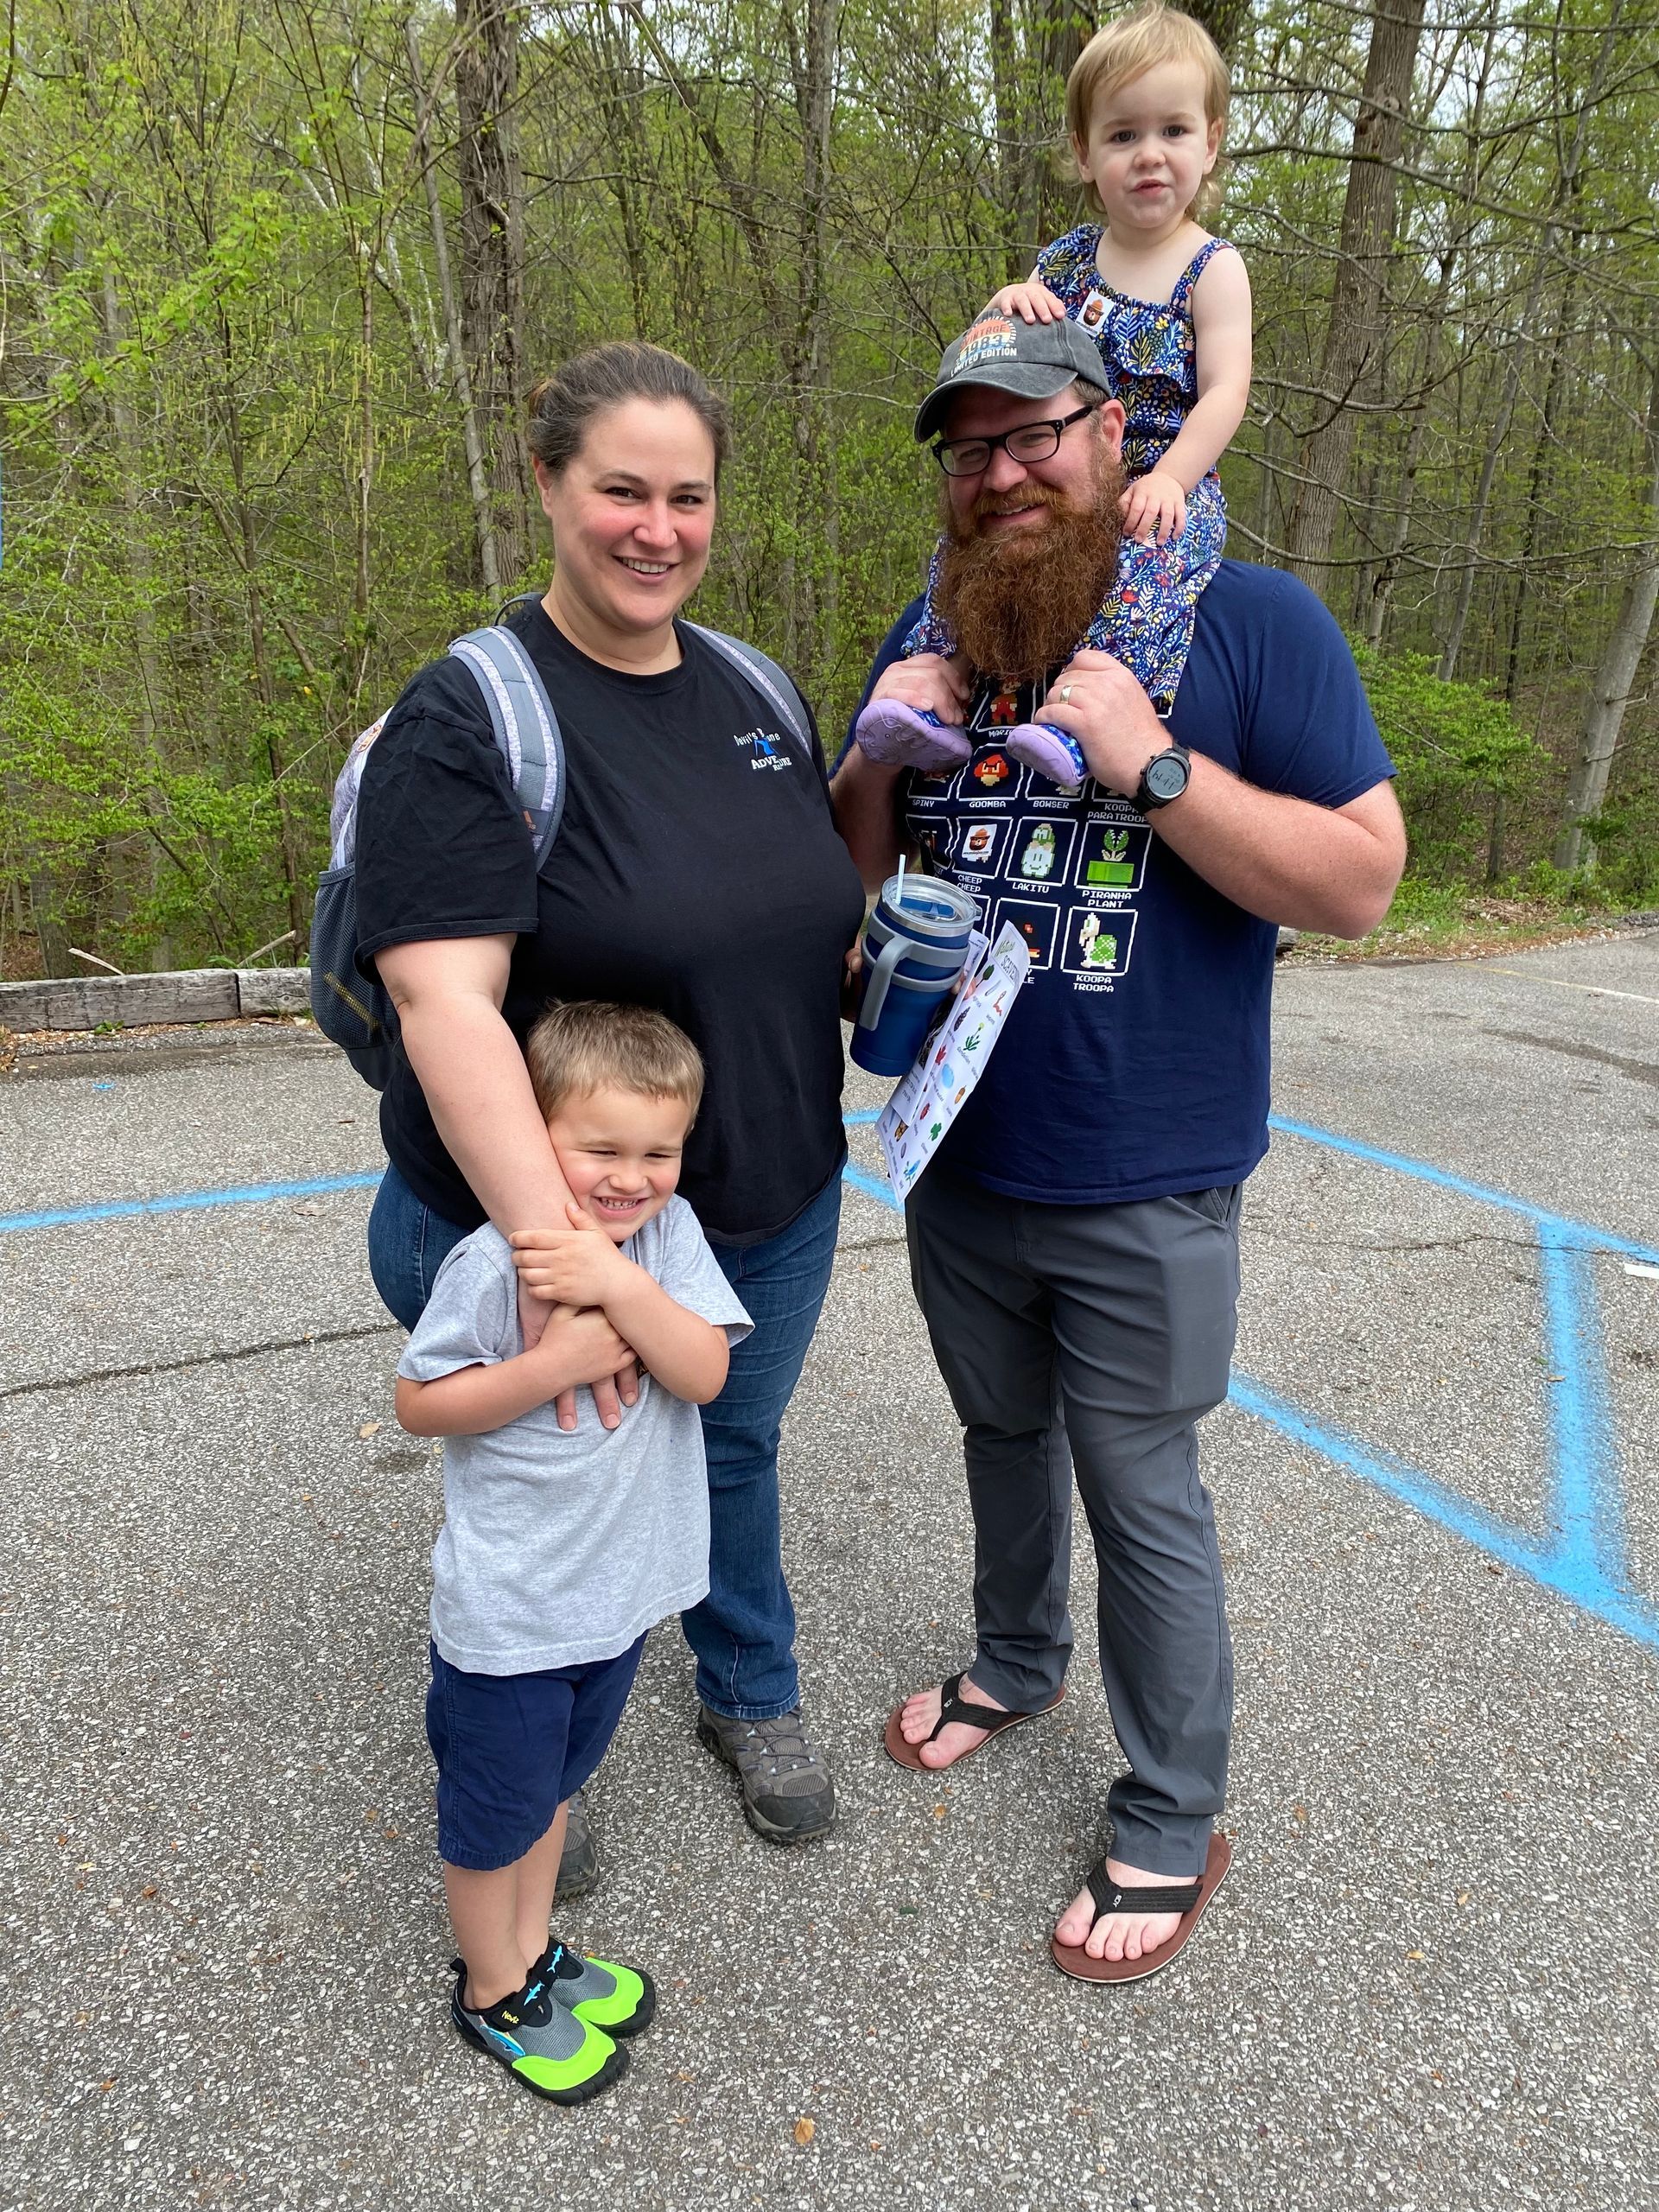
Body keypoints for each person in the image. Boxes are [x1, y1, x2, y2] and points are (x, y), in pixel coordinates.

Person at [830, 313, 1407, 1984]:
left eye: (1037, 435)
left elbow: (1362, 883)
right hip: (956, 1147)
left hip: (1148, 1172)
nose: (1004, 473)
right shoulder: (934, 632)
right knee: (1000, 1433)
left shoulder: (1251, 623)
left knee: (1141, 1486)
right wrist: (871, 755)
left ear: (1112, 436)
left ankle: (1172, 1809)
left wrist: (1153, 767)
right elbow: (855, 877)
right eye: (972, 449)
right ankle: (1018, 1663)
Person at [353, 342, 868, 1879]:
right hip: (549, 1227)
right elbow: (445, 1001)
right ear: (548, 484)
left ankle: (746, 1690)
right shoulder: (474, 715)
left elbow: (788, 920)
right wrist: (556, 1255)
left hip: (770, 1202)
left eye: (688, 497)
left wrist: (888, 962)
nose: (658, 529)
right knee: (556, 1481)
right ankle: (526, 1768)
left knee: (728, 1448)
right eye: (622, 492)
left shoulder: (756, 688)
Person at [396, 1001, 753, 2103]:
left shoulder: (668, 1241)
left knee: (553, 1792)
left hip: (615, 1598)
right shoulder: (494, 1262)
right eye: (601, 1148)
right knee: (492, 1817)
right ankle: (491, 1987)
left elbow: (705, 1372)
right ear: (534, 1133)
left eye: (659, 1151)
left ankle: (534, 1948)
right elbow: (420, 1402)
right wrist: (555, 1365)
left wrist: (621, 1287)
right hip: (514, 1615)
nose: (632, 1178)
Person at [855, 0, 1251, 788]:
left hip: (1165, 475)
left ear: (1210, 143)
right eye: (1123, 135)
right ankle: (932, 696)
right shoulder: (1065, 260)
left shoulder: (1212, 268)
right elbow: (1000, 355)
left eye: (1173, 131)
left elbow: (1226, 391)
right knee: (960, 556)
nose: (1149, 155)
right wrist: (1008, 300)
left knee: (1150, 574)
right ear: (1083, 153)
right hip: (1065, 468)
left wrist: (1173, 479)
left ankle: (1080, 721)